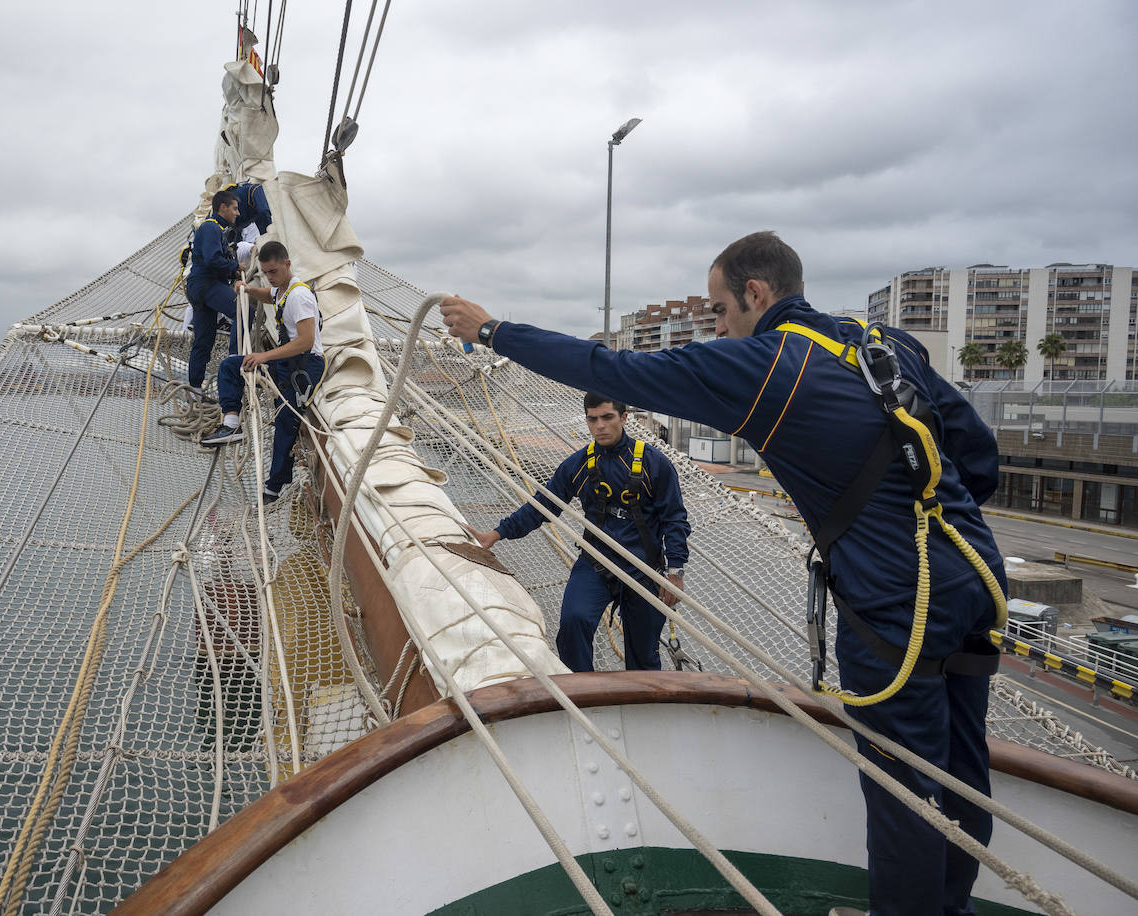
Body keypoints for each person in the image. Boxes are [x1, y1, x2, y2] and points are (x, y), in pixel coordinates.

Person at [441, 231, 1007, 916]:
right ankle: (956, 909)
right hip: (975, 576)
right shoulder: (878, 340)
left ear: (756, 296)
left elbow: (611, 367)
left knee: (906, 797)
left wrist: (494, 330)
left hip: (896, 606)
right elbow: (979, 460)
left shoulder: (763, 366)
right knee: (966, 774)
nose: (717, 326)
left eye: (719, 310)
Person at [469, 393, 689, 671]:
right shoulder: (579, 465)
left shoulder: (654, 464)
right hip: (595, 565)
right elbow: (543, 505)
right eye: (593, 419)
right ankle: (581, 695)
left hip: (642, 569)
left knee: (644, 654)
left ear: (623, 418)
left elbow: (675, 519)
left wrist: (675, 573)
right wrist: (498, 533)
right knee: (573, 623)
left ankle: (642, 706)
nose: (600, 426)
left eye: (607, 418)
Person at [201, 241, 325, 505]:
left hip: (306, 366)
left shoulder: (300, 296)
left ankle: (273, 488)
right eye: (266, 272)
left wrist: (263, 356)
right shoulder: (282, 289)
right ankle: (231, 426)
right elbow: (270, 295)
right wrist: (248, 289)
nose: (270, 276)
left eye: (274, 271)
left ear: (287, 264)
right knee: (231, 366)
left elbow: (305, 340)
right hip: (286, 361)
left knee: (285, 423)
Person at [185, 190, 243, 394]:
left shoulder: (212, 228)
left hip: (198, 288)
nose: (237, 213)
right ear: (223, 208)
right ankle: (235, 359)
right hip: (206, 283)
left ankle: (194, 389)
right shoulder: (212, 227)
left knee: (204, 340)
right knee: (244, 310)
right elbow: (212, 259)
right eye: (235, 208)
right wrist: (235, 267)